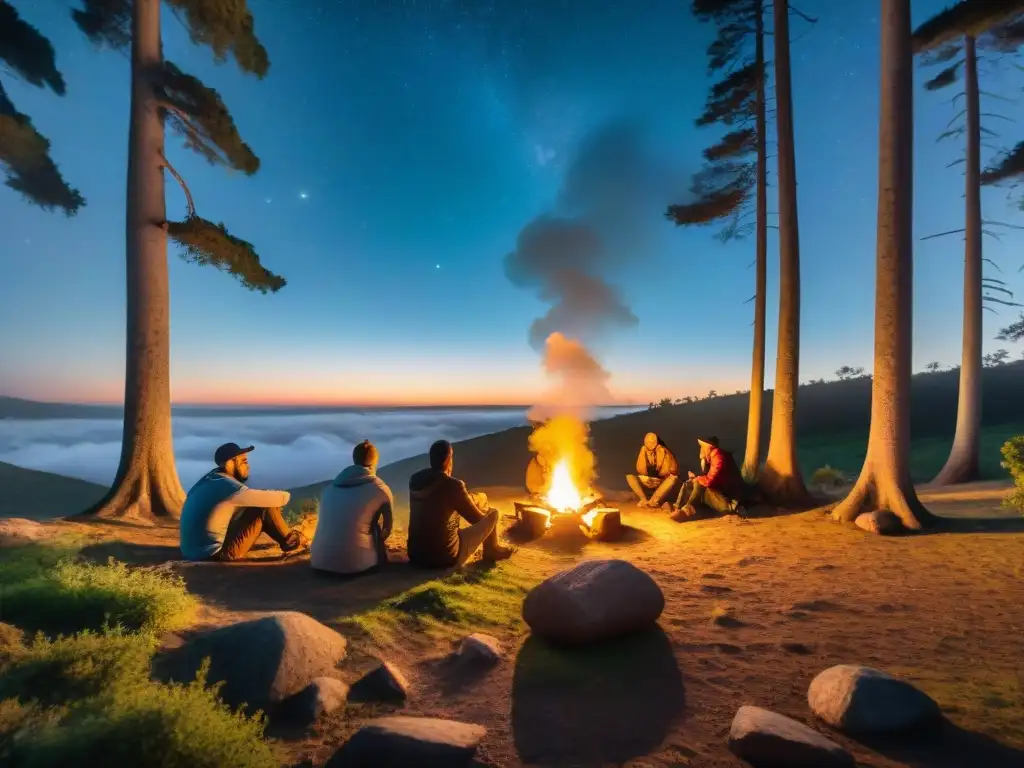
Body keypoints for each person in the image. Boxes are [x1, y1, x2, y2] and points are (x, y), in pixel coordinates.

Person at [179, 442, 308, 561]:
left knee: (250, 508)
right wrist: (286, 495)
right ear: (230, 463)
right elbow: (279, 499)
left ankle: (289, 539)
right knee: (264, 508)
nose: (248, 466)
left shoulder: (210, 479)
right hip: (214, 555)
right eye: (244, 461)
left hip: (192, 551)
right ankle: (292, 542)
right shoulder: (228, 486)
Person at [407, 439, 515, 569]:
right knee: (493, 514)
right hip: (444, 557)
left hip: (415, 554)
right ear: (448, 460)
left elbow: (437, 503)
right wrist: (482, 508)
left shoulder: (415, 480)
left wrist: (472, 500)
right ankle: (491, 550)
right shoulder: (454, 485)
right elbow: (478, 520)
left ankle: (491, 548)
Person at [311, 439, 394, 576]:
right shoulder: (381, 489)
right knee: (374, 526)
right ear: (375, 462)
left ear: (354, 460)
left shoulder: (329, 489)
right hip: (356, 566)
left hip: (319, 562)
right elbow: (387, 529)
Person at [672, 435, 745, 520]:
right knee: (689, 483)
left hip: (729, 502)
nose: (701, 450)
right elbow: (708, 477)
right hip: (719, 494)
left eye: (702, 447)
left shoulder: (718, 457)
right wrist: (696, 477)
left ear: (708, 447)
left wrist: (698, 478)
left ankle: (686, 511)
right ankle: (677, 508)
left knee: (698, 484)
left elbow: (709, 481)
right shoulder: (713, 457)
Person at [626, 432, 680, 510]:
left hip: (660, 483)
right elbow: (640, 470)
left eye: (652, 443)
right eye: (647, 443)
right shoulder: (643, 450)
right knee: (630, 477)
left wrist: (664, 454)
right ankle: (644, 500)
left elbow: (672, 471)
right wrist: (643, 478)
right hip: (648, 482)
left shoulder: (664, 452)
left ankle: (653, 501)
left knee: (673, 478)